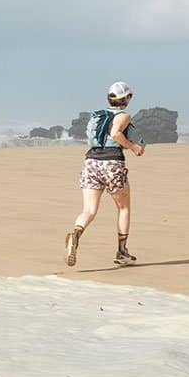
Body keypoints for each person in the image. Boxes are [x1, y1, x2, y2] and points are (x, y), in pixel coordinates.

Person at [65, 81, 145, 267]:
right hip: (112, 163)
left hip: (91, 162)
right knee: (123, 208)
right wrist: (134, 147)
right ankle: (122, 252)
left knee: (89, 210)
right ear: (126, 98)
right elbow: (116, 134)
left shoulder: (97, 116)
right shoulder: (124, 115)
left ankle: (75, 235)